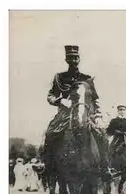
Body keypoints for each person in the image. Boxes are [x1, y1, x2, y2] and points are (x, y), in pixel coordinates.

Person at [43, 45, 112, 180]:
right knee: (50, 133)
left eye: (76, 57)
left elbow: (95, 99)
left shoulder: (87, 78)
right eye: (70, 58)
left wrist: (97, 113)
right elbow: (50, 96)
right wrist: (60, 100)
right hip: (65, 115)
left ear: (79, 59)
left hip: (86, 115)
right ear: (66, 59)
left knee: (102, 135)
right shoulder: (59, 77)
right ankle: (49, 167)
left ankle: (105, 167)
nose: (73, 60)